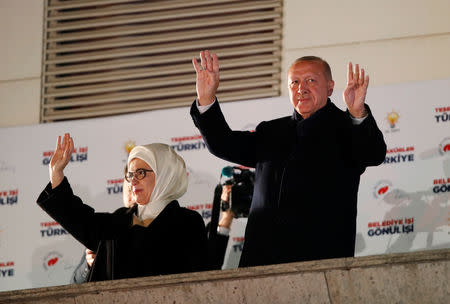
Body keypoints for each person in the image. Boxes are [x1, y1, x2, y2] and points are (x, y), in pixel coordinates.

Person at [190, 50, 387, 267]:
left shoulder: (347, 126)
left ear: (330, 87)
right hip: (261, 263)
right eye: (294, 82)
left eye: (311, 80)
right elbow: (223, 143)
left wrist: (357, 113)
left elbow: (373, 154)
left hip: (322, 263)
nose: (301, 88)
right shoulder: (271, 131)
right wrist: (206, 98)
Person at [37, 134, 208, 281]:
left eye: (141, 173)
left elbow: (199, 282)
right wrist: (56, 175)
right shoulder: (121, 218)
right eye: (130, 175)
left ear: (166, 175)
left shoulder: (187, 222)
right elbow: (83, 222)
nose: (132, 181)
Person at [71, 165, 135, 284]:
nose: (132, 191)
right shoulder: (107, 225)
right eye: (129, 186)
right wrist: (89, 264)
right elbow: (74, 283)